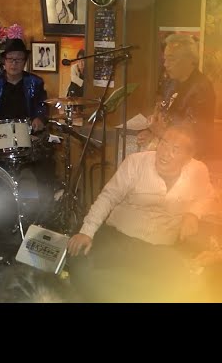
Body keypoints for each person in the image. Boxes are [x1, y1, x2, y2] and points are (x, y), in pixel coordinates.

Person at [67, 124, 217, 302]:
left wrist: (193, 214)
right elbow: (108, 197)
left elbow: (208, 196)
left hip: (159, 249)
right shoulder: (136, 162)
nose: (164, 153)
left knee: (184, 285)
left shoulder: (197, 171)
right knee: (82, 265)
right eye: (163, 143)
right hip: (118, 238)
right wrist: (87, 231)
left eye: (175, 149)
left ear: (187, 158)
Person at [0, 37, 54, 224]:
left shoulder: (35, 82)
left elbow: (42, 105)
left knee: (35, 172)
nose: (14, 63)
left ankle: (30, 215)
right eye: (11, 59)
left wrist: (39, 118)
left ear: (25, 62)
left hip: (26, 136)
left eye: (19, 59)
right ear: (4, 61)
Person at [137, 33, 215, 161]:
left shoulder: (201, 89)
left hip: (190, 160)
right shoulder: (171, 82)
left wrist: (160, 132)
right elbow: (164, 114)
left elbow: (194, 138)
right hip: (168, 154)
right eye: (165, 59)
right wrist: (150, 132)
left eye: (171, 59)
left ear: (189, 60)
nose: (165, 64)